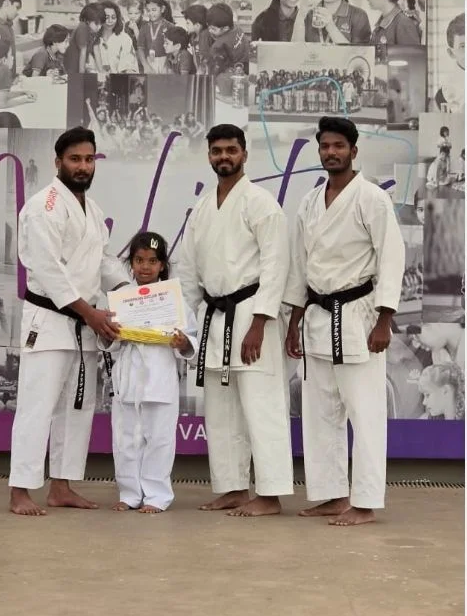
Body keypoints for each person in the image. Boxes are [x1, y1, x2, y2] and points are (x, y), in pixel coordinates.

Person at [284, 116, 406, 526]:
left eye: (339, 146)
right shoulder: (309, 202)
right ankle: (332, 494)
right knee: (320, 413)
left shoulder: (372, 198)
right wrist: (293, 321)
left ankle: (365, 502)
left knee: (365, 413)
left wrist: (384, 320)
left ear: (354, 150)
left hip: (358, 317)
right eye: (325, 146)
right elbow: (300, 266)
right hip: (317, 317)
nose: (331, 152)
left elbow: (391, 259)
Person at [7, 127, 131, 515]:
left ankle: (61, 486)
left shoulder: (91, 209)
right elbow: (48, 270)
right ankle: (20, 490)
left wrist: (131, 290)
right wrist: (91, 314)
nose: (83, 166)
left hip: (83, 325)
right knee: (37, 406)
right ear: (57, 162)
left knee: (77, 407)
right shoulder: (43, 206)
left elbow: (102, 262)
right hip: (49, 320)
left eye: (89, 159)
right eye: (75, 159)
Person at [175, 123, 293, 517]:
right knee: (220, 412)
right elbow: (189, 270)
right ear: (209, 155)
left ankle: (270, 494)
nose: (224, 157)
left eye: (231, 150)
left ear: (244, 153)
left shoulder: (261, 203)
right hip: (214, 318)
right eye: (217, 151)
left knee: (262, 408)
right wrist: (186, 322)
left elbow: (276, 264)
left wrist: (260, 321)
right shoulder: (202, 208)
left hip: (251, 315)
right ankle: (232, 487)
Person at [105, 232, 199, 512]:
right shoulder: (121, 299)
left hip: (160, 377)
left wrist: (183, 343)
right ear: (131, 263)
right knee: (125, 440)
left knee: (159, 440)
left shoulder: (174, 300)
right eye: (139, 260)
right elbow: (108, 340)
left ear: (162, 265)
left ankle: (157, 496)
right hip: (127, 378)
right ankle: (129, 493)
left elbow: (190, 338)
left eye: (152, 261)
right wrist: (110, 334)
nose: (145, 267)